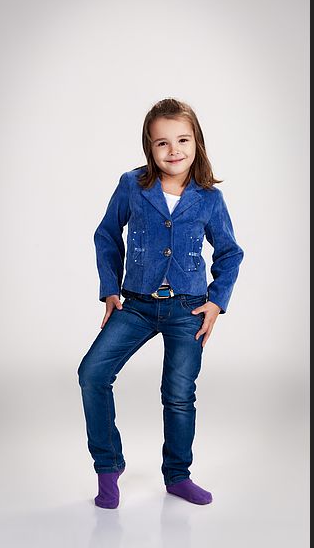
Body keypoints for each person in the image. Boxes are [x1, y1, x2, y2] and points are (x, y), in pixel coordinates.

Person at [77, 97, 244, 508]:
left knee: (178, 393)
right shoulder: (132, 185)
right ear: (149, 148)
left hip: (188, 307)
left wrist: (216, 303)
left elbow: (229, 252)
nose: (174, 151)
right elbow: (106, 235)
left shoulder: (208, 198)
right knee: (92, 374)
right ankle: (108, 467)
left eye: (183, 140)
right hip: (134, 304)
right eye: (162, 143)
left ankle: (178, 475)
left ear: (196, 142)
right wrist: (110, 290)